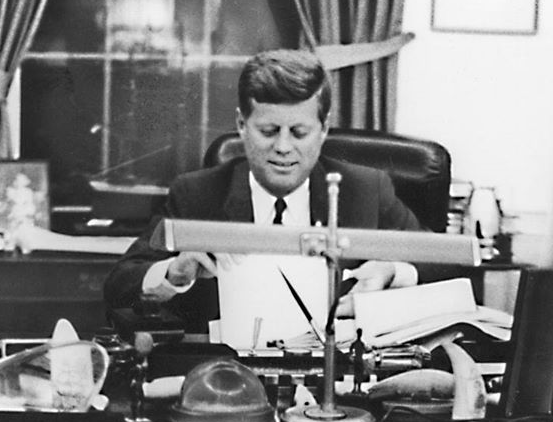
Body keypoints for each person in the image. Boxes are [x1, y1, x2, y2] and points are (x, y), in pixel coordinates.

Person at [103, 48, 425, 336]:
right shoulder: (197, 194)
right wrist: (174, 273)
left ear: (324, 129)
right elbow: (120, 286)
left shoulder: (365, 191)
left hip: (334, 370)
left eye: (299, 132)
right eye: (268, 131)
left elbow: (443, 263)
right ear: (242, 125)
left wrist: (394, 272)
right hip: (229, 373)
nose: (283, 147)